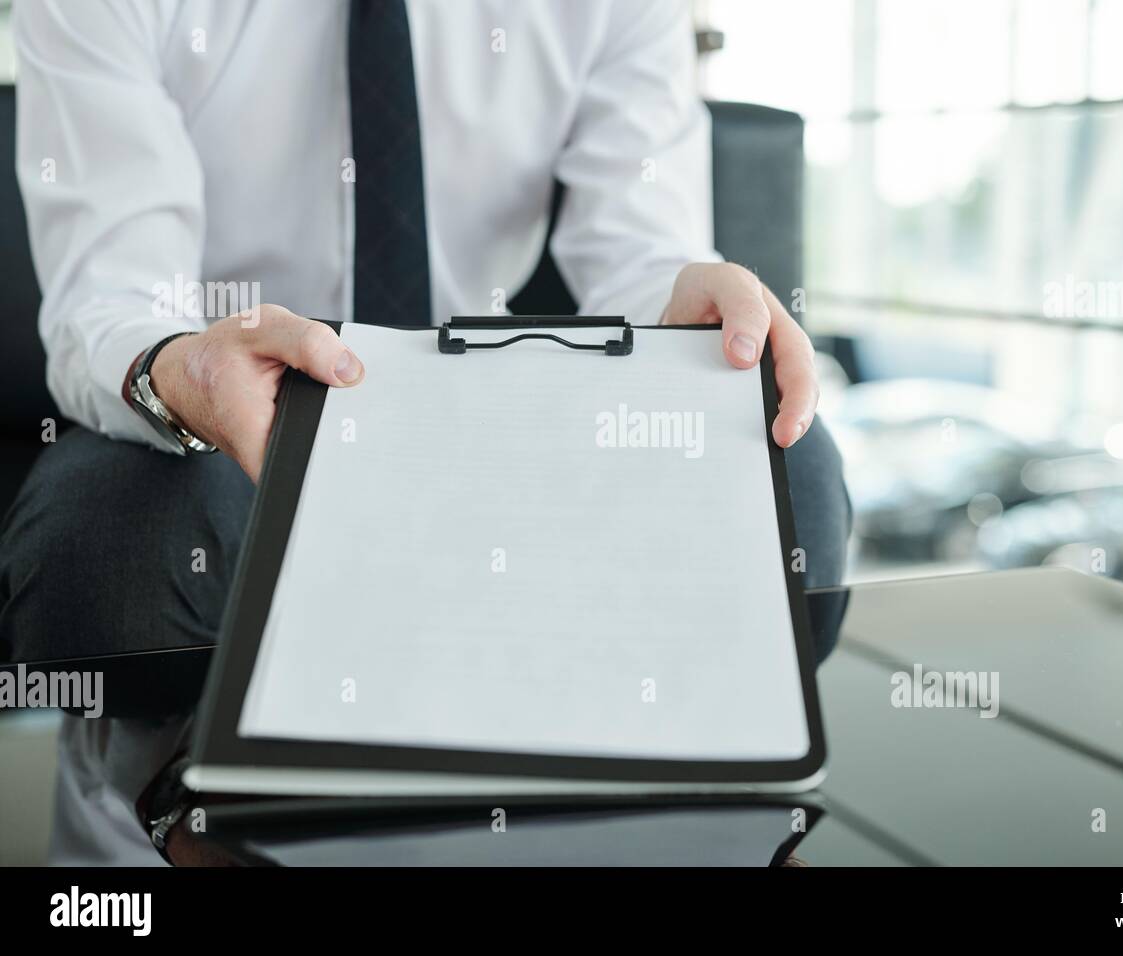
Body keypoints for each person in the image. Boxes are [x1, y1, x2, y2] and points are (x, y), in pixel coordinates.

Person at [0, 0, 849, 863]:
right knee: (102, 549)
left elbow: (640, 261)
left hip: (487, 406)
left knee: (794, 482)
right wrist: (180, 368)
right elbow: (113, 300)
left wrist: (688, 326)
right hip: (224, 415)